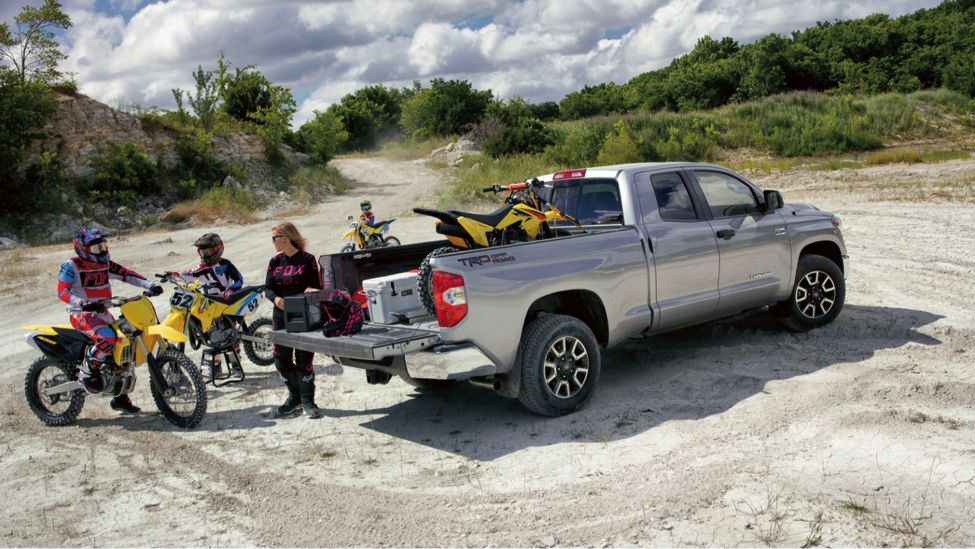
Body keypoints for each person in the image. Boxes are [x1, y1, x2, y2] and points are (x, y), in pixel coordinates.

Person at [57, 227, 164, 413]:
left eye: (103, 246)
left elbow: (127, 274)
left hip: (102, 312)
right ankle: (86, 373)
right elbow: (62, 291)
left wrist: (150, 285)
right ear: (83, 249)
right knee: (107, 338)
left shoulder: (104, 264)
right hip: (81, 314)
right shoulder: (71, 266)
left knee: (126, 344)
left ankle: (120, 397)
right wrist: (82, 303)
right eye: (96, 248)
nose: (102, 250)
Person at [265, 222, 323, 419]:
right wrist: (275, 299)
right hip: (280, 316)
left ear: (285, 238)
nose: (272, 242)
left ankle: (308, 401)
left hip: (303, 315)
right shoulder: (274, 261)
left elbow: (316, 284)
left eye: (274, 238)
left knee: (304, 358)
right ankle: (294, 397)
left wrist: (310, 290)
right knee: (281, 358)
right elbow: (268, 288)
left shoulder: (308, 259)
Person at [166, 233, 245, 378]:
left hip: (225, 303)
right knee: (210, 335)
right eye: (202, 252)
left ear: (217, 249)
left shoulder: (225, 264)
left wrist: (230, 289)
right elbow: (190, 274)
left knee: (230, 334)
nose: (204, 255)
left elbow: (239, 279)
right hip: (208, 305)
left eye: (208, 251)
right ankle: (215, 366)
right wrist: (175, 274)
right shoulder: (201, 267)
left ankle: (235, 364)